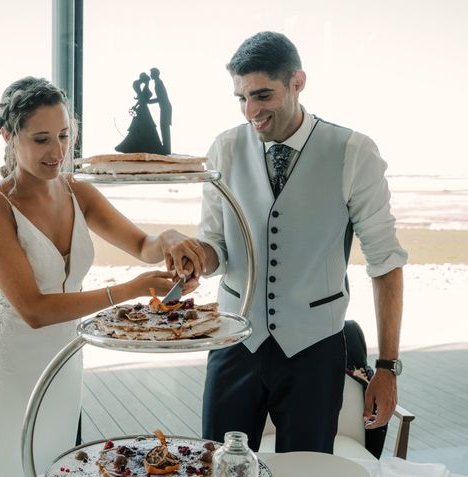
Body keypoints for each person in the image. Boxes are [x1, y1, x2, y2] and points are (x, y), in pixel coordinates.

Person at [160, 31, 407, 453]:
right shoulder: (224, 149)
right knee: (219, 464)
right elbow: (216, 244)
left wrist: (387, 367)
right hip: (234, 339)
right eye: (241, 98)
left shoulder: (354, 152)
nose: (251, 110)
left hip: (315, 350)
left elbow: (385, 263)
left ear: (298, 82)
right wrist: (199, 257)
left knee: (308, 468)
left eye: (262, 95)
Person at [0, 76, 193, 477]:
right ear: (8, 135)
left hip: (65, 358)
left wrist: (171, 238)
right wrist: (133, 289)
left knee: (56, 461)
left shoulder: (79, 192)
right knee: (9, 464)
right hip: (11, 360)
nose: (57, 152)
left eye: (64, 135)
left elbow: (144, 244)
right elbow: (33, 310)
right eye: (41, 139)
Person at [115, 72, 163, 154]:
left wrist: (136, 105)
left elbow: (142, 99)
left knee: (144, 126)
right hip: (143, 109)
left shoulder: (145, 87)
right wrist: (136, 105)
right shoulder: (145, 87)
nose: (149, 79)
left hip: (143, 108)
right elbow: (142, 99)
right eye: (148, 79)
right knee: (144, 125)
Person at [148, 67, 172, 154]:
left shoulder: (158, 83)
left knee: (164, 127)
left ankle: (166, 148)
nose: (150, 75)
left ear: (155, 74)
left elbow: (161, 98)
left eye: (151, 73)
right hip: (164, 107)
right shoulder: (157, 83)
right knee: (164, 127)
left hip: (165, 108)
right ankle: (166, 148)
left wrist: (149, 101)